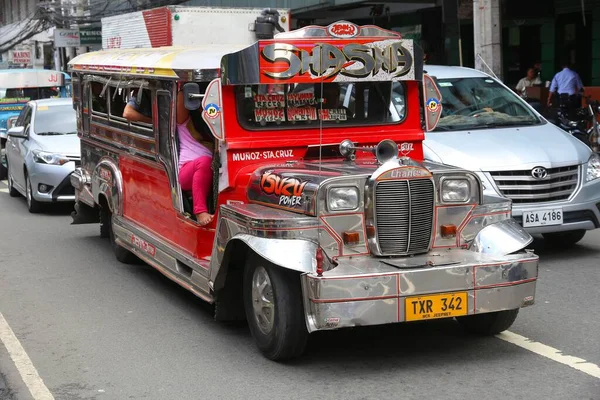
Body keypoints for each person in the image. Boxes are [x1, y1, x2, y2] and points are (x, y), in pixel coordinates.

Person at [176, 86, 214, 226]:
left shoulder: (216, 123)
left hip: (212, 168)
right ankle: (200, 211)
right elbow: (183, 95)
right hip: (187, 171)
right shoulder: (185, 120)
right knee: (204, 162)